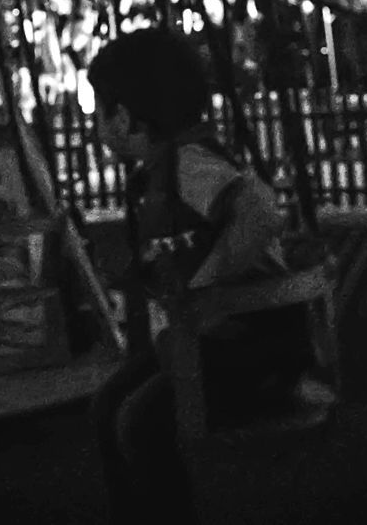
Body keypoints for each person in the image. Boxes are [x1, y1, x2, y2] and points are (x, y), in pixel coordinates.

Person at [87, 28, 317, 525]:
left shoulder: (187, 164)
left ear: (123, 116)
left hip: (254, 346)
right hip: (220, 342)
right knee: (110, 405)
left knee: (136, 423)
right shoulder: (166, 167)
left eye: (98, 109)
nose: (95, 122)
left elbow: (259, 210)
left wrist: (202, 288)